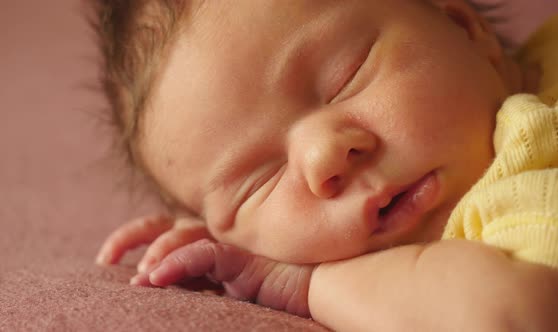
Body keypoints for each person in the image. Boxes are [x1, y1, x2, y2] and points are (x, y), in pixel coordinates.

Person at [93, 0, 558, 330]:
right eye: (257, 184)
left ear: (463, 27)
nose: (323, 159)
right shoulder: (513, 207)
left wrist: (306, 284)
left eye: (346, 77)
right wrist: (299, 276)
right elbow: (507, 318)